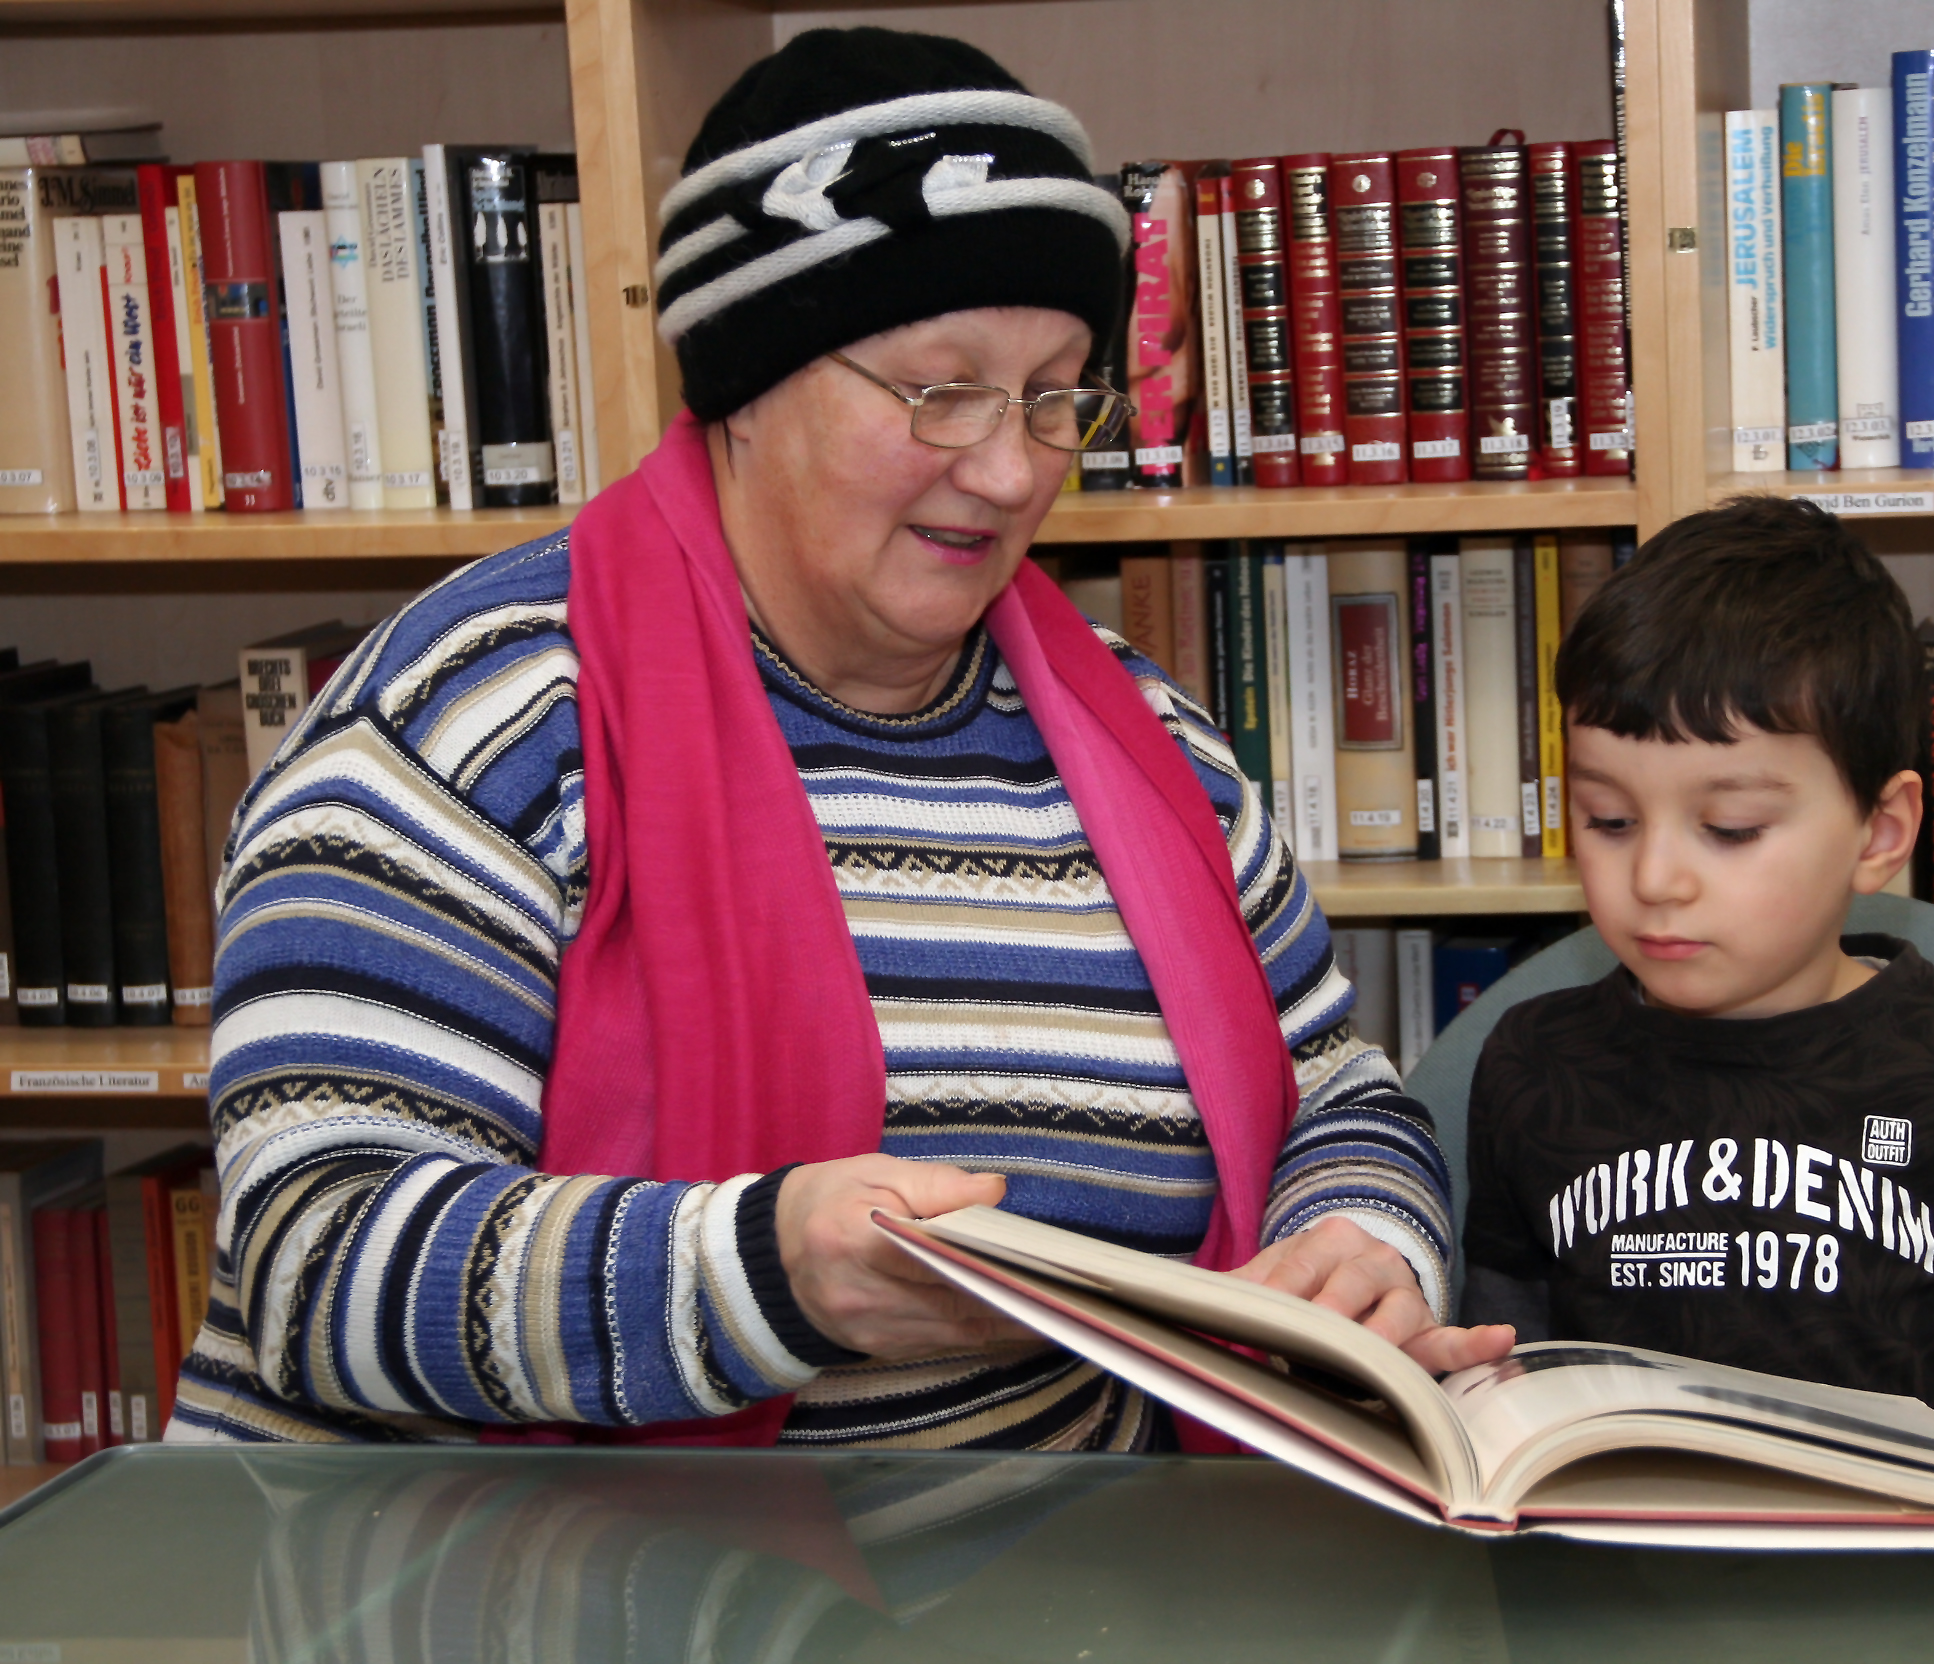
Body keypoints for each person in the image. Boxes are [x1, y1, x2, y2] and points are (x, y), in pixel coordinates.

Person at [174, 26, 1505, 1451]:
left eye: (1059, 397)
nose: (1008, 468)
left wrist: (1363, 1236)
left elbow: (1337, 1090)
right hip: (515, 1599)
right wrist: (768, 1274)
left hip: (1060, 1589)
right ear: (749, 386)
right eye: (940, 391)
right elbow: (322, 1261)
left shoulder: (1150, 743)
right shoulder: (477, 712)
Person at [1457, 497, 1934, 1472]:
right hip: (1628, 1598)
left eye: (1729, 828)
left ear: (1880, 832)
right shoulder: (1532, 1065)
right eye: (1608, 818)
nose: (1655, 878)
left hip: (1932, 1602)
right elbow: (1506, 1367)